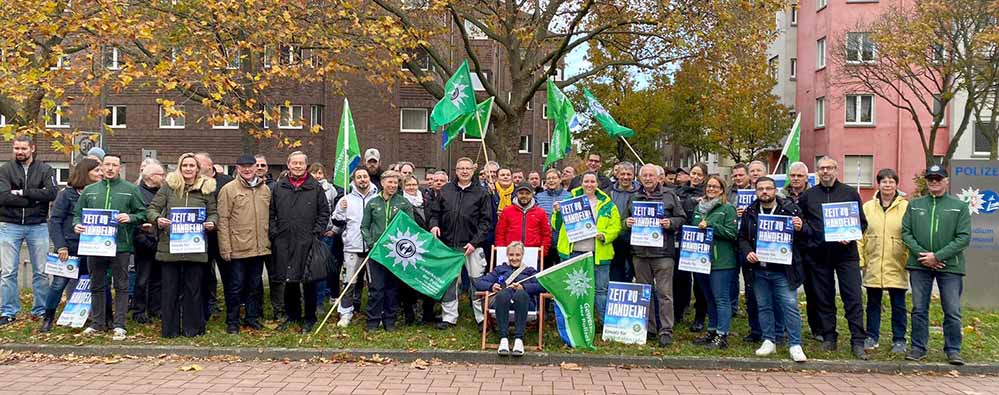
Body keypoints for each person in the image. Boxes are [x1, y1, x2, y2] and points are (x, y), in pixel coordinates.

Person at [798, 156, 869, 359]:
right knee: (824, 298)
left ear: (836, 170)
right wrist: (812, 236)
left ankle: (857, 340)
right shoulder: (808, 196)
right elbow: (802, 223)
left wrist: (851, 235)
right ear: (817, 172)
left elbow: (862, 223)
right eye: (821, 168)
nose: (825, 172)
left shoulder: (849, 193)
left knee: (853, 297)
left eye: (829, 168)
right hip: (819, 255)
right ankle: (829, 336)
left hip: (846, 255)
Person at [73, 154, 147, 340]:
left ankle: (119, 325)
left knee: (121, 286)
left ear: (120, 167)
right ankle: (97, 323)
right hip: (94, 246)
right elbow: (77, 214)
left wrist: (130, 218)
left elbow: (143, 213)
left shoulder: (130, 190)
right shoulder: (89, 190)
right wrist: (77, 225)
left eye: (114, 165)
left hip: (120, 245)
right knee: (96, 284)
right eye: (107, 165)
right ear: (102, 167)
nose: (110, 168)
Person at [902, 165, 970, 365]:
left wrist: (938, 256)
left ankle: (953, 350)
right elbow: (906, 233)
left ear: (946, 181)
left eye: (938, 178)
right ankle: (918, 348)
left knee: (952, 310)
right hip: (919, 264)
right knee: (919, 308)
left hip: (950, 266)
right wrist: (924, 256)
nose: (934, 182)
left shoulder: (960, 206)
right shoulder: (914, 205)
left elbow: (963, 238)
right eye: (930, 178)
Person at [146, 153, 219, 338]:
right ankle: (170, 330)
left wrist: (212, 222)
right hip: (171, 246)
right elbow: (152, 209)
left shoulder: (206, 189)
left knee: (193, 289)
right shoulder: (169, 187)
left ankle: (193, 329)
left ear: (197, 168)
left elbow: (213, 213)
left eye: (191, 166)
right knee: (169, 290)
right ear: (179, 167)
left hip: (195, 247)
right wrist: (158, 219)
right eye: (184, 165)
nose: (188, 169)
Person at [739, 176, 807, 362]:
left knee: (790, 306)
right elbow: (742, 237)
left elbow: (808, 237)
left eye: (769, 188)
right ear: (756, 191)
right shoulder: (750, 211)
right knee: (764, 306)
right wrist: (748, 252)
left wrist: (801, 228)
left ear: (775, 190)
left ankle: (795, 344)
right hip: (759, 269)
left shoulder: (791, 210)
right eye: (761, 189)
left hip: (784, 270)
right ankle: (769, 340)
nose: (765, 192)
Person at [624, 164, 686, 347]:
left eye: (651, 175)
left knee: (665, 293)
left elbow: (682, 218)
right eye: (645, 175)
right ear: (640, 178)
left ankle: (666, 330)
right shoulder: (634, 197)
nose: (648, 178)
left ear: (659, 177)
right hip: (640, 253)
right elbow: (622, 220)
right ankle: (649, 328)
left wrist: (671, 222)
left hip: (663, 253)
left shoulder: (669, 195)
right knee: (645, 292)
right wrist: (626, 222)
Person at [270, 151, 331, 333]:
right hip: (284, 241)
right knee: (289, 281)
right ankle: (293, 315)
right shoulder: (279, 187)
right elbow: (271, 213)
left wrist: (316, 233)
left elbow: (324, 212)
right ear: (288, 165)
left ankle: (310, 317)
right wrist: (275, 233)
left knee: (309, 280)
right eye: (294, 163)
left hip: (308, 241)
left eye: (301, 163)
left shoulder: (315, 187)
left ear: (306, 166)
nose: (297, 166)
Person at [429, 157, 492, 329]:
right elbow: (435, 213)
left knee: (476, 281)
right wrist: (434, 226)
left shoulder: (481, 193)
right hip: (448, 246)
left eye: (467, 168)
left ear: (473, 170)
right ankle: (449, 317)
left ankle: (481, 317)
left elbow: (486, 222)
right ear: (455, 171)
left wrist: (474, 242)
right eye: (460, 168)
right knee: (450, 282)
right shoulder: (445, 190)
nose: (464, 171)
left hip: (472, 246)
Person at [0, 135, 57, 325]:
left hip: (37, 225)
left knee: (41, 271)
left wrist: (23, 193)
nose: (20, 152)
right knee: (8, 271)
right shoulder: (5, 170)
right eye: (16, 148)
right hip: (10, 224)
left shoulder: (45, 169)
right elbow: (3, 197)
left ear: (32, 148)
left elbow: (51, 193)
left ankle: (40, 311)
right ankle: (8, 311)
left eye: (23, 148)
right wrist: (35, 198)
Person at [41, 158, 103, 332]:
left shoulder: (99, 193)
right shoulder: (66, 194)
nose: (101, 173)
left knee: (96, 283)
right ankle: (48, 317)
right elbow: (55, 221)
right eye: (96, 171)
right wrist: (61, 246)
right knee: (59, 284)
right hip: (69, 249)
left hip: (93, 247)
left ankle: (97, 318)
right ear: (86, 173)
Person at [552, 172, 621, 320]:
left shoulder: (608, 204)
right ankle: (577, 324)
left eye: (592, 181)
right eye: (586, 181)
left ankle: (604, 323)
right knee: (574, 291)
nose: (589, 184)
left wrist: (604, 236)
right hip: (573, 253)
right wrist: (557, 213)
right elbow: (556, 226)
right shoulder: (569, 201)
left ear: (597, 184)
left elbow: (615, 227)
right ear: (581, 183)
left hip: (598, 253)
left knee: (601, 290)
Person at [217, 154, 272, 334]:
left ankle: (251, 317)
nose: (247, 169)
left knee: (254, 285)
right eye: (243, 166)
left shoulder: (265, 190)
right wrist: (225, 247)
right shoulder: (228, 190)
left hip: (259, 246)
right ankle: (232, 321)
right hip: (237, 247)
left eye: (250, 166)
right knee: (235, 286)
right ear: (237, 168)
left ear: (257, 167)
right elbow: (223, 220)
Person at [856, 168, 909, 355]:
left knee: (898, 304)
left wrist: (908, 260)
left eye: (891, 181)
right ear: (878, 184)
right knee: (873, 303)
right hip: (874, 260)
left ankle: (900, 339)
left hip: (897, 261)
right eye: (884, 181)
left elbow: (910, 234)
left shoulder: (906, 207)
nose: (887, 185)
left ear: (897, 184)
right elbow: (860, 235)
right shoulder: (867, 207)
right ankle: (871, 336)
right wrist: (861, 259)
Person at [688, 175, 738, 349]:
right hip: (700, 260)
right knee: (709, 298)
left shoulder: (727, 208)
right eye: (709, 186)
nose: (711, 189)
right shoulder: (698, 208)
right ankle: (712, 330)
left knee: (721, 299)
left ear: (722, 189)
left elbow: (732, 234)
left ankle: (722, 335)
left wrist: (711, 227)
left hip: (721, 262)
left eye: (715, 187)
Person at [361, 171, 413, 331]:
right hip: (377, 252)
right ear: (382, 183)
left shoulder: (404, 203)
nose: (392, 186)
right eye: (389, 182)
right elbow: (364, 226)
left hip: (396, 253)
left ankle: (390, 320)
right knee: (376, 288)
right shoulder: (372, 203)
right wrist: (371, 243)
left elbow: (410, 227)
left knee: (392, 289)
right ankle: (373, 321)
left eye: (396, 183)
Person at [475, 241, 544, 356]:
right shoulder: (500, 269)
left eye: (517, 255)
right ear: (507, 255)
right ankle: (504, 339)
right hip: (503, 303)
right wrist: (491, 286)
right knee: (503, 294)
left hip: (525, 304)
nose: (514, 258)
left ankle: (519, 339)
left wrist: (524, 287)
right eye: (511, 255)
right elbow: (479, 283)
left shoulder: (530, 271)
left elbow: (542, 286)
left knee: (520, 294)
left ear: (522, 255)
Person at [332, 167, 378, 327]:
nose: (362, 180)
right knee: (349, 282)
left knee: (375, 284)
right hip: (353, 246)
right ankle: (345, 312)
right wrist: (340, 210)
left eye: (365, 176)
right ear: (354, 180)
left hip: (374, 248)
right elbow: (336, 223)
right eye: (359, 177)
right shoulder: (346, 200)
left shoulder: (378, 197)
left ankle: (375, 314)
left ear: (369, 178)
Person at [194, 152, 232, 320]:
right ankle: (207, 307)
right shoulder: (193, 183)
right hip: (201, 237)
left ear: (210, 165)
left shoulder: (226, 182)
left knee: (229, 274)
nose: (195, 168)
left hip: (223, 236)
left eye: (198, 165)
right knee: (204, 275)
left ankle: (232, 309)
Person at [674, 162, 708, 331]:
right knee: (679, 278)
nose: (695, 177)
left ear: (704, 177)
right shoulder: (678, 191)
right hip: (680, 238)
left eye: (699, 175)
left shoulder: (707, 193)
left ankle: (700, 316)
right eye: (693, 173)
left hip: (699, 240)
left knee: (700, 281)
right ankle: (678, 312)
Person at [131, 160, 165, 324]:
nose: (164, 177)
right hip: (144, 242)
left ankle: (155, 308)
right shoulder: (137, 193)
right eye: (161, 175)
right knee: (142, 279)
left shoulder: (163, 192)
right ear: (151, 177)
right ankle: (139, 311)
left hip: (161, 241)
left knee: (158, 278)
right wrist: (143, 239)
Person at [400, 175, 437, 325]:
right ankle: (409, 312)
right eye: (408, 185)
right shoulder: (401, 202)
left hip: (427, 245)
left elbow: (434, 217)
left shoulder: (426, 201)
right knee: (408, 281)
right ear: (403, 187)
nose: (411, 187)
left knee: (427, 278)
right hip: (410, 246)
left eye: (414, 184)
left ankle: (427, 312)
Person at [254, 154, 283, 319]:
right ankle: (256, 311)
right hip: (253, 238)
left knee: (276, 277)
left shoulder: (276, 187)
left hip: (272, 239)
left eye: (262, 165)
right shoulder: (245, 186)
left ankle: (278, 310)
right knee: (254, 278)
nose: (259, 168)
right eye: (256, 165)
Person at [495, 183, 551, 252]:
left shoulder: (540, 212)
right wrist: (502, 251)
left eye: (527, 193)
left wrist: (542, 252)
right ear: (517, 194)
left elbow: (546, 234)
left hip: (533, 253)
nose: (524, 196)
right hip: (511, 253)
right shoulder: (507, 211)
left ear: (532, 194)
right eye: (521, 193)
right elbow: (500, 233)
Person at [609, 162, 638, 283]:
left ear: (634, 175)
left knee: (636, 273)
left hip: (636, 240)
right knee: (616, 274)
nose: (625, 177)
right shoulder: (609, 193)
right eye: (622, 174)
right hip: (615, 240)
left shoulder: (641, 192)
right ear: (617, 175)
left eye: (629, 174)